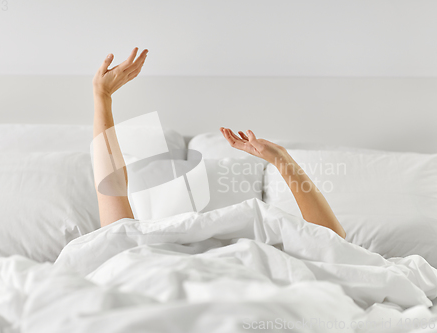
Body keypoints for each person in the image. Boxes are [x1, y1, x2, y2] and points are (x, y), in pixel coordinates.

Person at [92, 48, 346, 239]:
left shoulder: (264, 243)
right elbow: (335, 247)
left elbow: (333, 246)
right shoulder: (139, 249)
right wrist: (102, 97)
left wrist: (282, 159)